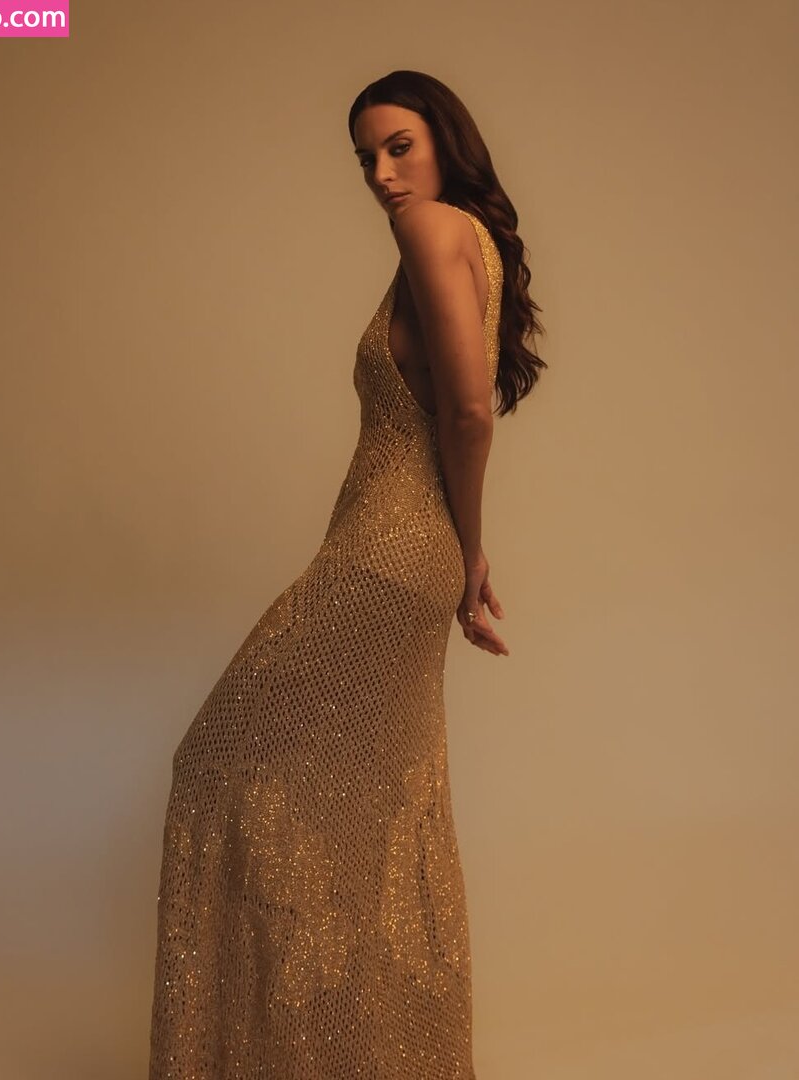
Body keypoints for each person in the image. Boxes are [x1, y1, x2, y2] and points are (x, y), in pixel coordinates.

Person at [147, 69, 545, 1079]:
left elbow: (467, 412)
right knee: (368, 811)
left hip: (385, 553)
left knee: (216, 765)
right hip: (412, 552)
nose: (381, 174)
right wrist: (465, 554)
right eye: (366, 157)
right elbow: (454, 409)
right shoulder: (475, 241)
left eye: (399, 146)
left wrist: (469, 550)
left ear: (446, 139)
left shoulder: (431, 230)